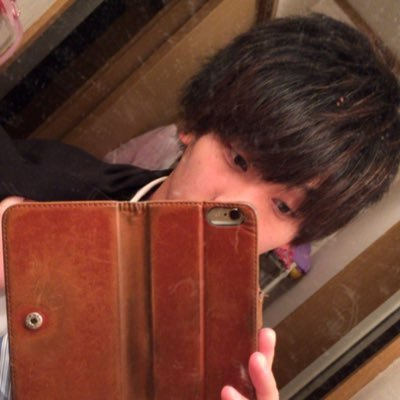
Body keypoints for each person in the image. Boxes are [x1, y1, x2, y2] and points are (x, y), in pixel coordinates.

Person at [0, 13, 399, 400]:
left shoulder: (217, 371)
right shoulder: (29, 179)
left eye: (282, 206)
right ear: (194, 125)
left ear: (295, 239)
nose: (230, 208)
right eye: (238, 160)